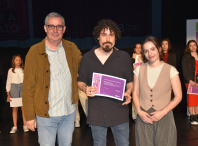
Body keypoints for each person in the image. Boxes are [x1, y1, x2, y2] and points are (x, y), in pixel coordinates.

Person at [22, 12, 82, 146]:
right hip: (46, 116)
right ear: (45, 28)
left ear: (64, 29)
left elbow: (85, 66)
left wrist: (106, 54)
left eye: (59, 26)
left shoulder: (72, 48)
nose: (55, 30)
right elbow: (27, 88)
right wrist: (30, 116)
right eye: (51, 26)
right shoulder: (34, 52)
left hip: (68, 113)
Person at [77, 19, 133, 146]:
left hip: (120, 111)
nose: (108, 38)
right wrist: (85, 88)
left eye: (111, 34)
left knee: (123, 144)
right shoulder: (87, 58)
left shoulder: (123, 57)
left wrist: (129, 92)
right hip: (97, 112)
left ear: (116, 37)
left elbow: (130, 81)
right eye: (104, 34)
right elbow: (80, 81)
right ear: (98, 37)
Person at [133, 36, 182, 146]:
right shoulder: (139, 70)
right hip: (143, 117)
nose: (150, 53)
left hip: (164, 117)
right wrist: (139, 111)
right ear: (143, 54)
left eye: (152, 49)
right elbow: (135, 93)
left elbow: (178, 96)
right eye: (146, 51)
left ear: (159, 49)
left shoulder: (171, 70)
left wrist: (163, 112)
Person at [6, 55, 29, 133]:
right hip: (14, 88)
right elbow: (8, 81)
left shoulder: (24, 69)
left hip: (23, 87)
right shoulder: (11, 70)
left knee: (24, 108)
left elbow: (27, 80)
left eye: (19, 60)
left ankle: (25, 125)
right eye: (17, 60)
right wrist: (8, 93)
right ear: (14, 61)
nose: (18, 61)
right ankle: (15, 126)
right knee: (15, 108)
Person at [182, 40, 198, 125]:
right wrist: (190, 80)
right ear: (188, 47)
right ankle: (192, 117)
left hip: (197, 81)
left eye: (194, 45)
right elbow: (184, 70)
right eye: (190, 45)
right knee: (191, 98)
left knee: (197, 99)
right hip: (190, 81)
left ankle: (197, 116)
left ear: (196, 46)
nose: (192, 47)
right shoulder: (186, 57)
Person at [131, 43, 143, 120]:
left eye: (140, 48)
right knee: (135, 97)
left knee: (142, 97)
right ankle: (134, 116)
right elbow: (130, 69)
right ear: (134, 49)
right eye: (137, 48)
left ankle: (141, 114)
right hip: (134, 80)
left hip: (142, 80)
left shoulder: (144, 57)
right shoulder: (132, 57)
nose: (138, 49)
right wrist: (133, 59)